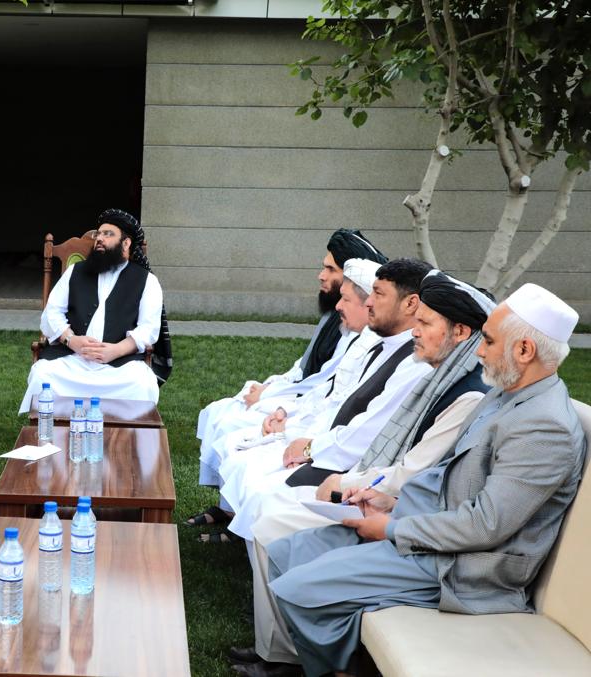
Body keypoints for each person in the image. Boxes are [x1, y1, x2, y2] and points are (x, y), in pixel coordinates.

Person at [253, 283, 586, 677]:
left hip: (460, 569)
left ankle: (335, 670)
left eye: (489, 341)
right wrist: (390, 503)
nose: (479, 351)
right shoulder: (507, 394)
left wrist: (392, 529)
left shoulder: (545, 426)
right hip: (428, 535)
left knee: (299, 590)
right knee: (286, 553)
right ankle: (328, 662)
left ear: (525, 350)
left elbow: (485, 525)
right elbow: (452, 479)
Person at [238, 270, 494, 670]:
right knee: (271, 526)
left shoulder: (468, 393)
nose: (415, 331)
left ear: (460, 332)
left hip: (402, 518)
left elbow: (411, 474)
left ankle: (285, 657)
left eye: (425, 323)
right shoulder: (439, 375)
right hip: (379, 496)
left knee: (272, 528)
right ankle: (281, 650)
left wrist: (346, 484)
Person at [187, 258, 382, 528]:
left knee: (249, 467)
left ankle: (238, 526)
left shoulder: (380, 348)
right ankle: (233, 519)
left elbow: (346, 416)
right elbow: (324, 389)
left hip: (323, 448)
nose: (338, 305)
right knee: (231, 438)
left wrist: (294, 433)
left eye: (346, 299)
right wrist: (284, 412)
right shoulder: (362, 340)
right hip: (307, 426)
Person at [196, 229, 388, 474]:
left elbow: (327, 387)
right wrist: (273, 393)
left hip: (315, 430)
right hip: (304, 411)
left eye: (330, 269)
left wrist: (282, 412)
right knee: (221, 413)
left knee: (233, 433)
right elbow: (308, 372)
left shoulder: (365, 335)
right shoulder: (338, 317)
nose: (321, 276)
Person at [17, 208, 168, 414]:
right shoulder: (75, 271)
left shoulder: (147, 281)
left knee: (142, 383)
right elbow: (51, 313)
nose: (99, 239)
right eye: (99, 234)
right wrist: (72, 340)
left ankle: (122, 432)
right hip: (73, 359)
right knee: (43, 375)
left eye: (108, 234)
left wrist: (116, 350)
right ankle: (55, 428)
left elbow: (148, 329)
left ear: (126, 243)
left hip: (119, 365)